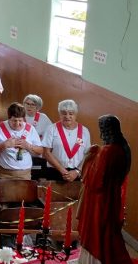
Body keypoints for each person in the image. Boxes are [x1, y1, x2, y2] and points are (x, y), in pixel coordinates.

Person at [78, 114, 131, 264]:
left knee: (97, 231)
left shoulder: (107, 151)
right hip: (113, 196)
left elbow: (94, 181)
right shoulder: (124, 147)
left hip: (99, 200)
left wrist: (90, 156)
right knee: (109, 230)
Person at [41, 99, 91, 182]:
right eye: (64, 113)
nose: (67, 116)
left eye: (71, 113)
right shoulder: (51, 129)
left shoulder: (84, 131)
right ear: (60, 114)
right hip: (55, 172)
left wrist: (77, 171)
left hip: (76, 174)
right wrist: (63, 171)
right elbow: (46, 152)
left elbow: (87, 154)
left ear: (76, 114)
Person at [0, 103, 42, 180]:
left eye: (20, 120)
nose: (17, 124)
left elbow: (40, 151)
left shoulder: (30, 128)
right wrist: (4, 145)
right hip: (3, 173)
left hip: (24, 174)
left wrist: (28, 146)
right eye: (14, 121)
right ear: (9, 118)